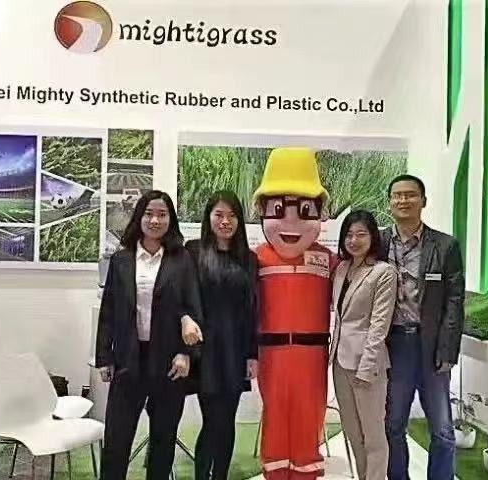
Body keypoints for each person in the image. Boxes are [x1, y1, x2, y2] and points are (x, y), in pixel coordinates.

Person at [95, 190, 203, 480]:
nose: (155, 220)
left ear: (170, 220)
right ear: (139, 217)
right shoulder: (121, 260)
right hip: (128, 359)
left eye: (162, 215)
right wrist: (104, 356)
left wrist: (186, 353)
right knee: (117, 439)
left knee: (163, 440)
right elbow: (109, 311)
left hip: (168, 363)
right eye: (149, 214)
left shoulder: (182, 260)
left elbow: (193, 308)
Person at [252, 147, 339, 479]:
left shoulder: (328, 260)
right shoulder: (255, 259)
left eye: (304, 210)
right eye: (278, 209)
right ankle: (275, 473)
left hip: (313, 355)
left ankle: (306, 473)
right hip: (270, 354)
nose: (291, 221)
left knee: (309, 414)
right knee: (275, 413)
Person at [381, 175, 465, 480]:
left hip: (431, 345)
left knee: (442, 430)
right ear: (389, 202)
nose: (403, 200)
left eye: (410, 195)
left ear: (423, 201)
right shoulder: (379, 243)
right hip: (393, 345)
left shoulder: (445, 246)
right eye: (397, 195)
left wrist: (448, 350)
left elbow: (454, 301)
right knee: (393, 425)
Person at [184, 190, 259, 480]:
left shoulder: (249, 259)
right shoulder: (193, 251)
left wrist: (252, 354)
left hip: (235, 350)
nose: (225, 221)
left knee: (227, 420)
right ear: (209, 218)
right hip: (205, 350)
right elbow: (184, 300)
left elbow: (252, 310)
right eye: (219, 215)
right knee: (212, 420)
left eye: (232, 216)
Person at [330, 209, 397, 480]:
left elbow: (379, 326)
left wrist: (367, 367)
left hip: (367, 365)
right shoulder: (341, 269)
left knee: (373, 437)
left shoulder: (384, 272)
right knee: (353, 433)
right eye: (349, 235)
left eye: (361, 234)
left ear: (372, 238)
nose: (354, 240)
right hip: (339, 362)